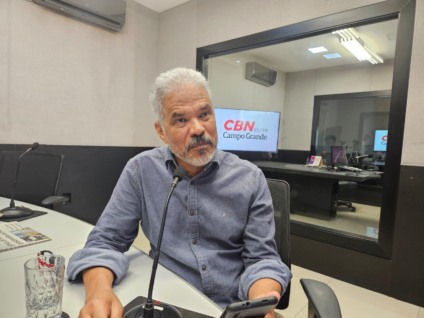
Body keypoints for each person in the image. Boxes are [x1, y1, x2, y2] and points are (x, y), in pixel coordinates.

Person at [67, 67, 292, 318]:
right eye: (181, 120)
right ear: (161, 131)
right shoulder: (141, 170)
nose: (198, 129)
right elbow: (106, 241)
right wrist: (98, 294)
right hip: (165, 301)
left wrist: (259, 305)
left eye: (205, 114)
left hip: (229, 307)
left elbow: (262, 260)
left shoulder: (250, 178)